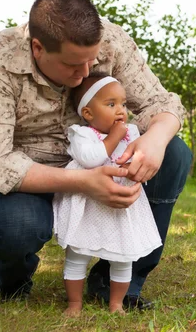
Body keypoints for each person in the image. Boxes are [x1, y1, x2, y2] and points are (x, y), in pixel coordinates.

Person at [0, 0, 192, 310]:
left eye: (92, 62)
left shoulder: (111, 41)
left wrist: (155, 139)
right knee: (18, 226)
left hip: (105, 165)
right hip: (30, 176)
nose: (86, 72)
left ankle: (119, 282)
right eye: (73, 65)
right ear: (38, 48)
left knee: (175, 154)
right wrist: (84, 181)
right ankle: (12, 281)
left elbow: (161, 102)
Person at [54, 73, 162, 316]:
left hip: (120, 206)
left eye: (123, 104)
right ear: (89, 114)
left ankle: (116, 303)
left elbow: (137, 155)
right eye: (111, 104)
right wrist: (114, 137)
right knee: (77, 254)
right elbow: (91, 159)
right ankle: (74, 304)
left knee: (123, 256)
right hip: (87, 205)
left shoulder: (131, 132)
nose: (120, 110)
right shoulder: (82, 134)